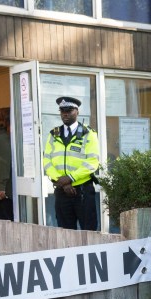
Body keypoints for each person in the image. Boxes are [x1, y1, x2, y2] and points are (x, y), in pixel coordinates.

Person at [43, 96, 100, 230]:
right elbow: (47, 161)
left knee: (89, 231)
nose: (65, 114)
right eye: (62, 111)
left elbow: (92, 162)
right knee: (65, 232)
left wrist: (70, 178)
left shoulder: (88, 134)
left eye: (69, 110)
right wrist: (61, 181)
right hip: (62, 191)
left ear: (77, 112)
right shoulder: (53, 134)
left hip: (82, 191)